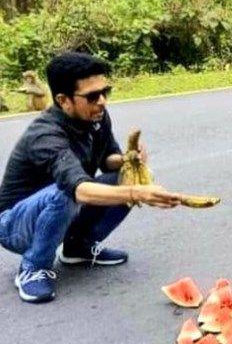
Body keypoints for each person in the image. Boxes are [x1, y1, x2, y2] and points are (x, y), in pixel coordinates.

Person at [0, 52, 185, 303]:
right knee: (66, 192)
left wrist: (128, 160)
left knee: (127, 177)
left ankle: (78, 247)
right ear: (63, 100)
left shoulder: (95, 116)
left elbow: (108, 158)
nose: (102, 101)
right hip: (15, 224)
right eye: (92, 96)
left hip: (63, 206)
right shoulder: (45, 134)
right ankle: (33, 267)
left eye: (104, 92)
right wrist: (137, 193)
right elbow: (79, 189)